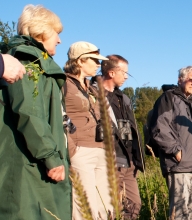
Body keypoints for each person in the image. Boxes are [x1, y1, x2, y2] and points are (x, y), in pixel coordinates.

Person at [0, 4, 71, 220]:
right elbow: (29, 113)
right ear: (41, 30)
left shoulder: (39, 63)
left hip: (34, 162)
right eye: (56, 33)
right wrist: (50, 157)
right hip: (27, 165)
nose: (59, 40)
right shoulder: (27, 62)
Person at [150, 66, 192, 220]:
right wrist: (176, 150)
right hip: (178, 164)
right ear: (180, 79)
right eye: (191, 80)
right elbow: (159, 128)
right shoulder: (169, 98)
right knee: (180, 213)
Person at [63, 41, 112, 219]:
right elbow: (58, 116)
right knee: (86, 207)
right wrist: (72, 149)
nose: (99, 65)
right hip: (81, 151)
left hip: (100, 149)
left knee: (106, 208)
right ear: (81, 60)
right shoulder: (63, 84)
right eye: (95, 60)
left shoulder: (92, 88)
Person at [99, 55, 144, 219]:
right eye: (124, 72)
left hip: (128, 161)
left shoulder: (123, 98)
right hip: (110, 160)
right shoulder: (94, 95)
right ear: (111, 73)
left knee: (134, 205)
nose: (126, 76)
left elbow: (130, 129)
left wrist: (136, 160)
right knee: (111, 207)